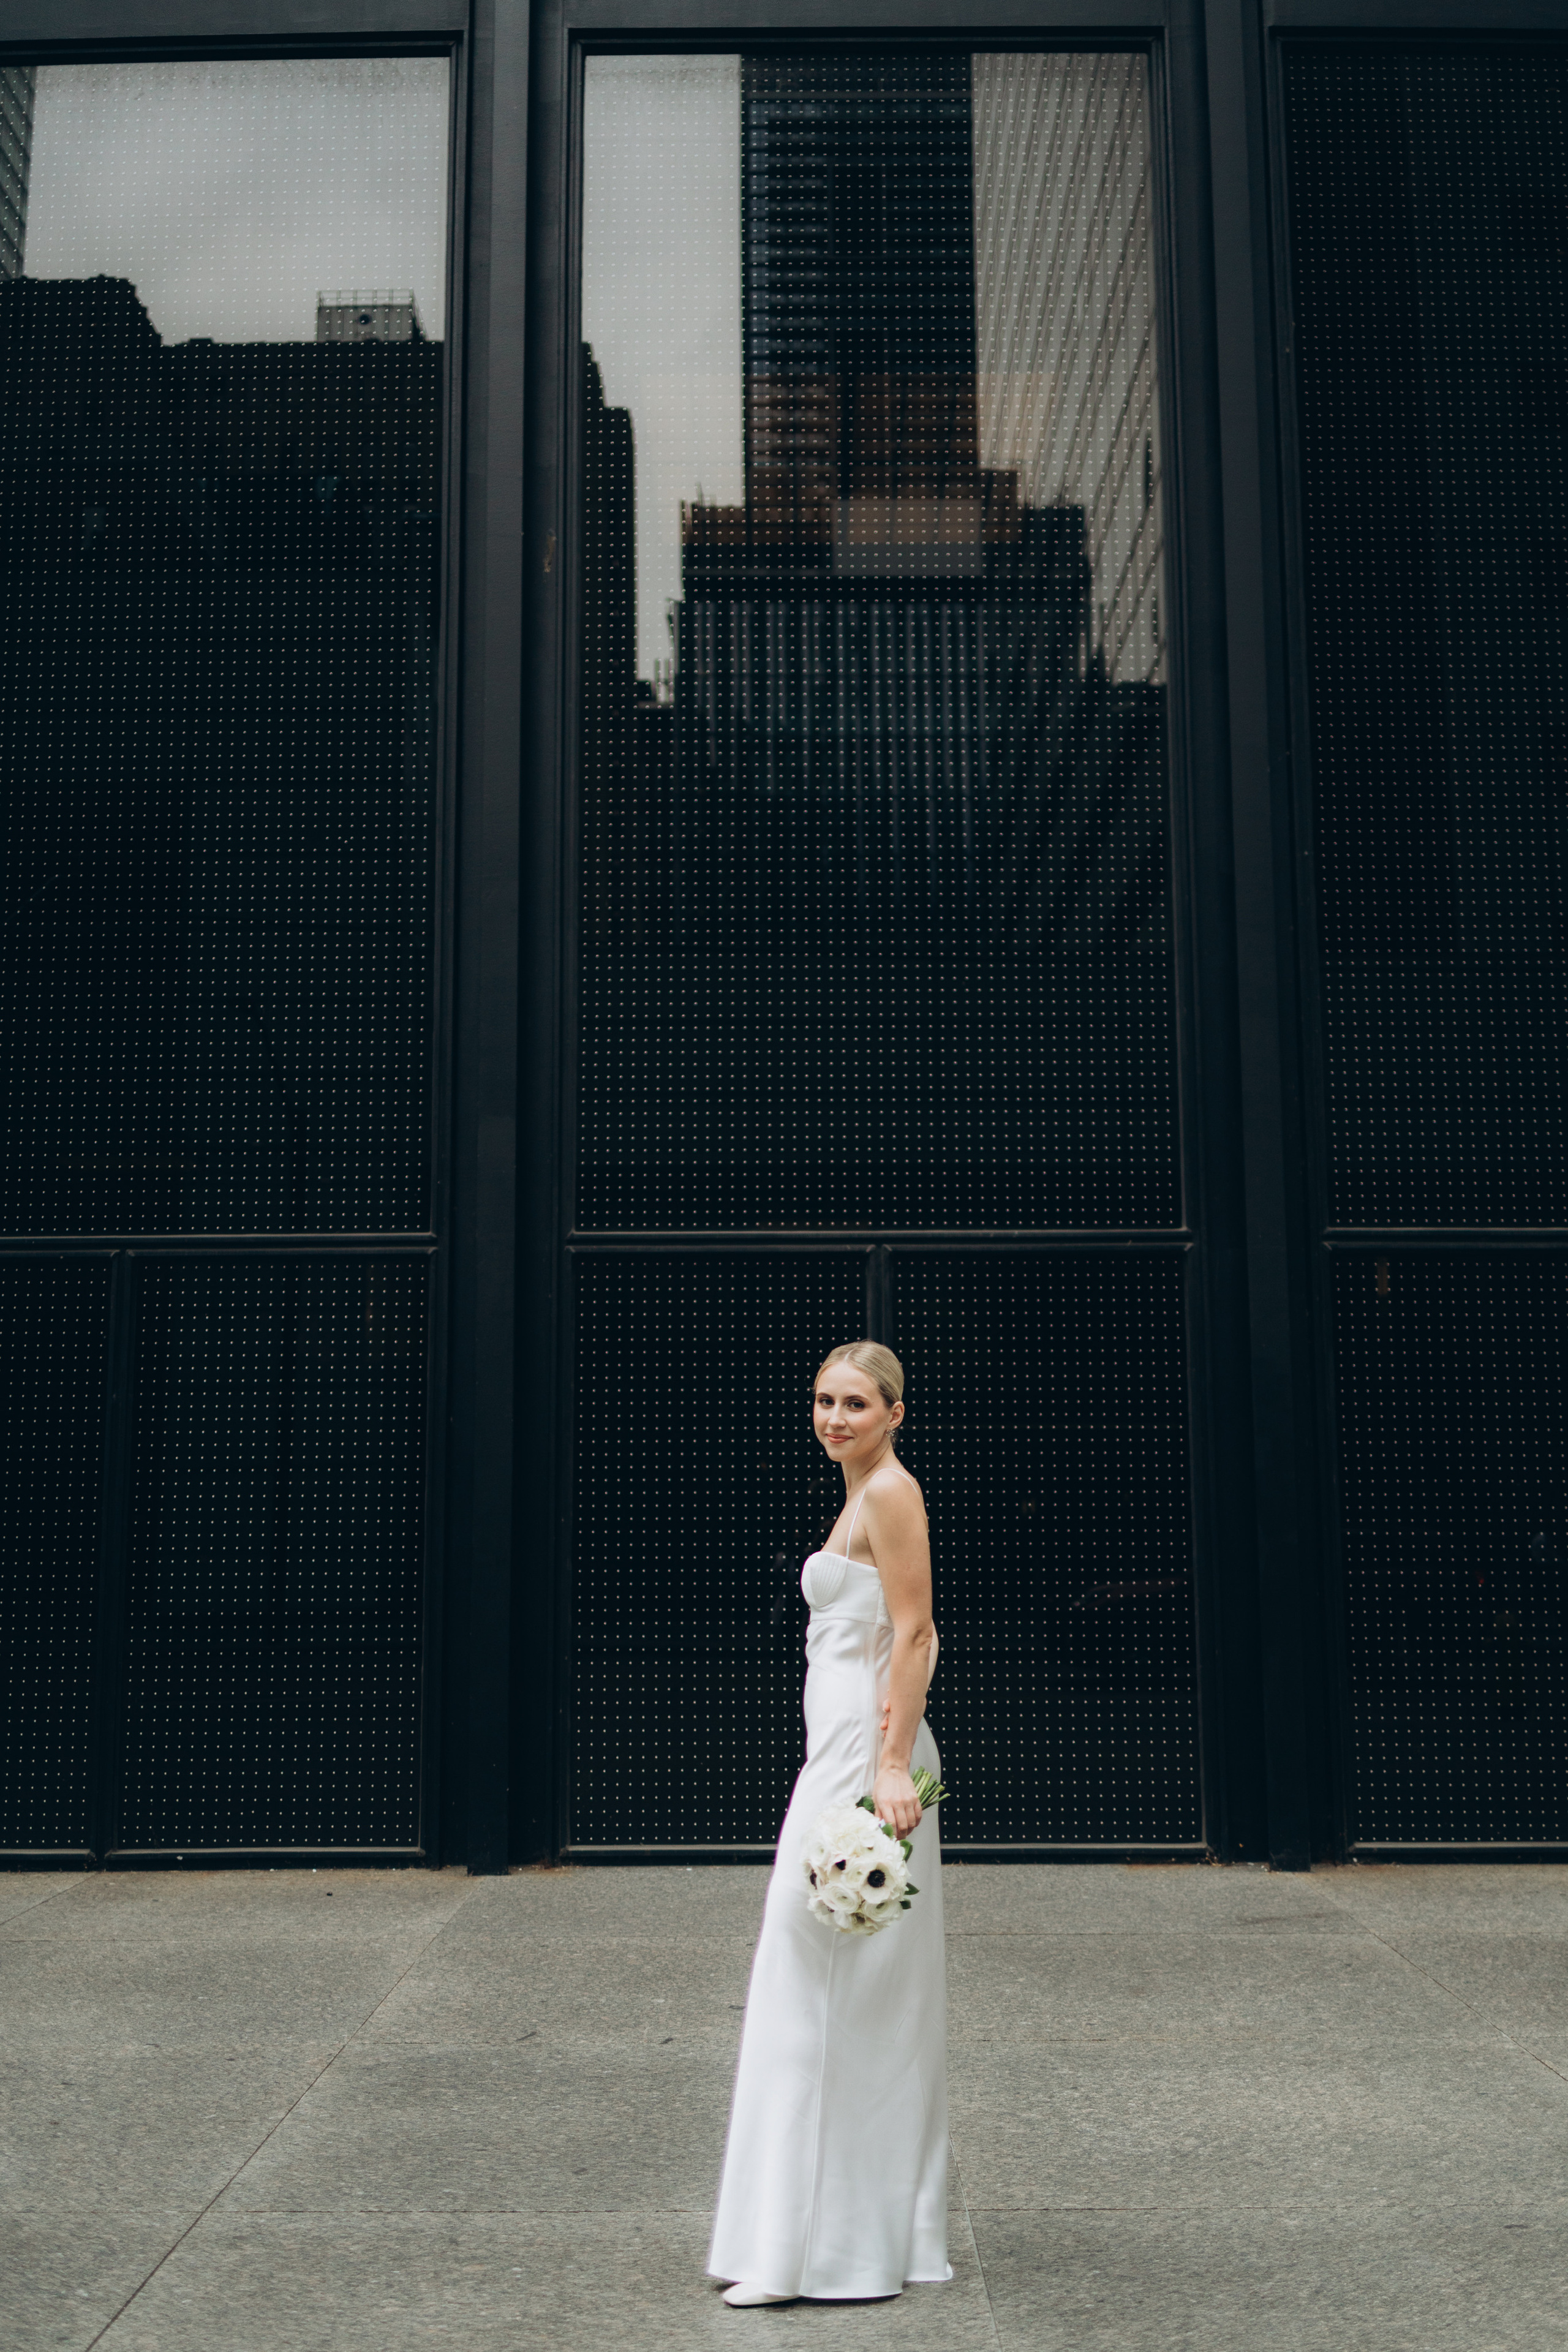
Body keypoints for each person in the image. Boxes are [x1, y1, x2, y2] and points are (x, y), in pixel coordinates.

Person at [707, 1341, 950, 2307]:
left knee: (819, 1985)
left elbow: (917, 1631)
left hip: (862, 1760)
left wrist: (889, 1766)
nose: (835, 1418)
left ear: (895, 1412)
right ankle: (819, 2238)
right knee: (820, 1988)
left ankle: (807, 2251)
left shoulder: (891, 1492)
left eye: (855, 1403)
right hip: (843, 1747)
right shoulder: (862, 1492)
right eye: (823, 1400)